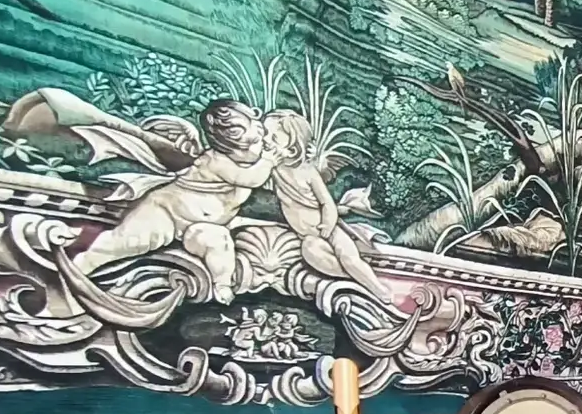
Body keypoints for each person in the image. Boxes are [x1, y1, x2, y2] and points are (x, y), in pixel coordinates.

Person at [72, 99, 274, 304]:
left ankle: (221, 284)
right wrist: (271, 158)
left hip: (201, 227)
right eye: (248, 145)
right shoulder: (215, 161)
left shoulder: (248, 158)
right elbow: (253, 178)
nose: (255, 151)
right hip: (166, 213)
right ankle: (78, 268)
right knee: (123, 243)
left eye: (258, 143)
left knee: (218, 241)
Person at [263, 109, 394, 303]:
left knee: (349, 258)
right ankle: (353, 281)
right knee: (311, 251)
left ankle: (376, 287)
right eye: (264, 133)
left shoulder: (307, 172)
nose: (265, 140)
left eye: (272, 137)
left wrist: (328, 223)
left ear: (292, 148)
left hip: (331, 229)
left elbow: (326, 202)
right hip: (307, 236)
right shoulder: (274, 168)